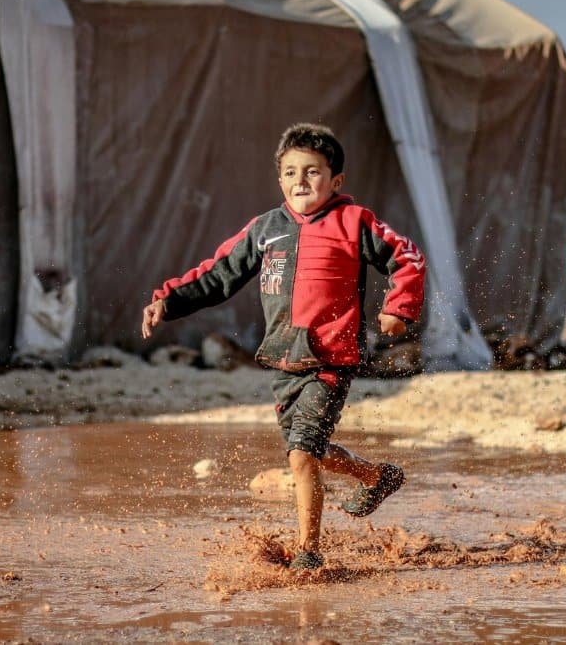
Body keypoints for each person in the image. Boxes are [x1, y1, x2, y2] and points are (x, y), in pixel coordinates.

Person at [141, 123, 426, 570]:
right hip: (282, 359)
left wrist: (399, 308)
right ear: (279, 180)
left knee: (301, 453)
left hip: (330, 359)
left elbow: (407, 258)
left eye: (313, 172)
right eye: (291, 172)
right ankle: (376, 476)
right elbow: (217, 274)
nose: (301, 181)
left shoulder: (354, 222)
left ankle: (309, 552)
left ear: (335, 181)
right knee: (309, 449)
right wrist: (168, 300)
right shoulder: (265, 229)